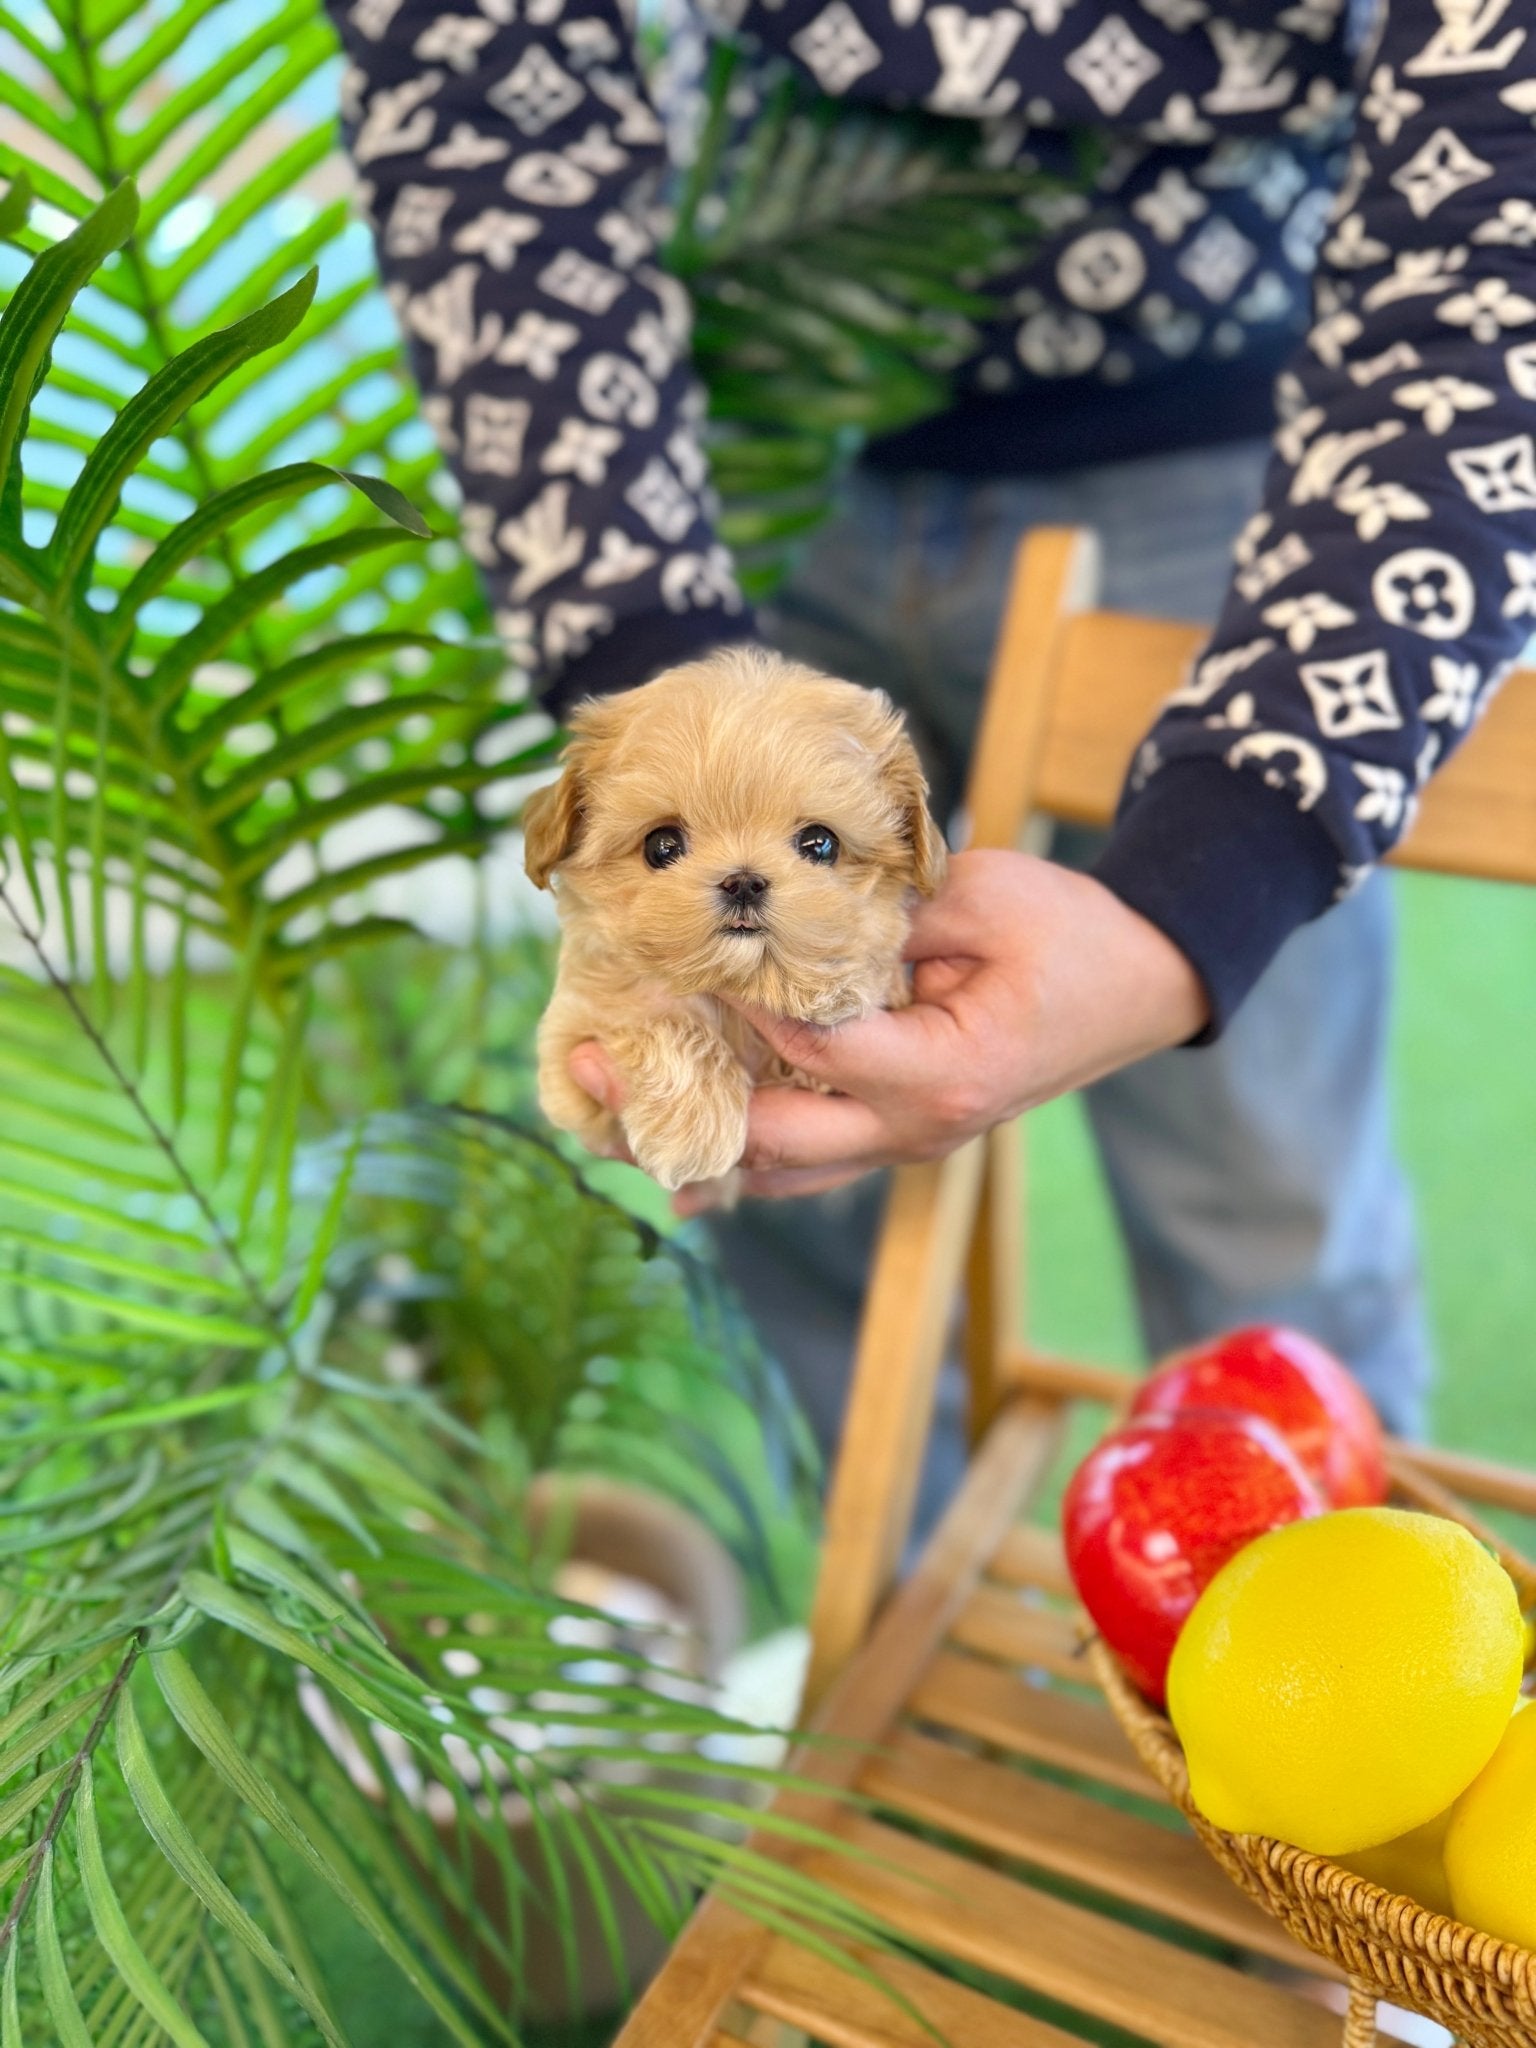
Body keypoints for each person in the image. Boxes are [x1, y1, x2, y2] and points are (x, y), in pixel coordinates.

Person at [324, 0, 1536, 1499]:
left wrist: (1208, 888)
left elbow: (1497, 254)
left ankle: (1330, 1639)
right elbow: (474, 88)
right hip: (742, 440)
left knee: (1262, 1188)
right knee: (778, 1166)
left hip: (1234, 458)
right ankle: (858, 1609)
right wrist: (652, 688)